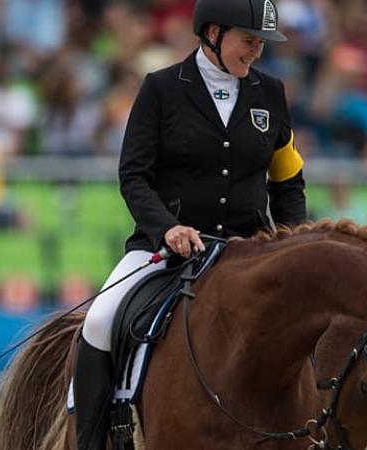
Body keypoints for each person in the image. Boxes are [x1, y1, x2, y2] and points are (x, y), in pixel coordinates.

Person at [73, 0, 307, 449]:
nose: (256, 51)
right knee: (100, 321)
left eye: (261, 43)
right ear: (214, 33)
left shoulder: (271, 94)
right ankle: (91, 440)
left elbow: (288, 180)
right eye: (249, 40)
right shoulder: (160, 89)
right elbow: (134, 177)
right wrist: (167, 228)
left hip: (246, 250)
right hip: (165, 247)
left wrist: (295, 242)